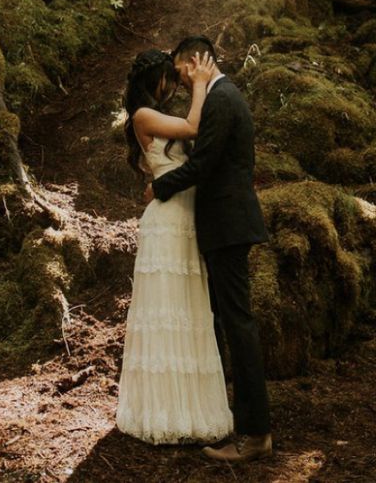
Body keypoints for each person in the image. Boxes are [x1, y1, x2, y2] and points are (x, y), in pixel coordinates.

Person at [145, 35, 272, 464]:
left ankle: (256, 434)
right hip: (225, 225)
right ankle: (236, 420)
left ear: (198, 61)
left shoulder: (221, 98)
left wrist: (159, 186)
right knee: (230, 321)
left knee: (239, 325)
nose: (179, 81)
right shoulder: (223, 95)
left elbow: (205, 165)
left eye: (182, 71)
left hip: (228, 226)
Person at [115, 48, 234, 445]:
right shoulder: (143, 116)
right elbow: (194, 126)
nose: (174, 84)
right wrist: (200, 84)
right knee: (167, 310)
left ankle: (191, 406)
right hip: (166, 223)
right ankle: (163, 411)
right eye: (170, 78)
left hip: (183, 218)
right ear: (156, 81)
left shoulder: (156, 115)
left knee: (187, 310)